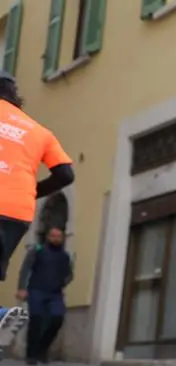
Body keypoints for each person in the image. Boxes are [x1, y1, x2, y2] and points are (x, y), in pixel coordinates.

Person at [0, 70, 75, 349]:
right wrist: (33, 191)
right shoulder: (38, 131)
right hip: (16, 212)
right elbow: (66, 175)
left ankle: (2, 316)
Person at [16, 226, 73, 365]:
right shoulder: (37, 251)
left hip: (55, 293)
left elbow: (69, 274)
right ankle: (31, 355)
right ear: (48, 237)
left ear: (62, 238)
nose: (56, 238)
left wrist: (62, 282)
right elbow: (25, 269)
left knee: (57, 319)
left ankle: (42, 348)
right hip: (36, 290)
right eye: (53, 236)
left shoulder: (64, 256)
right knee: (36, 320)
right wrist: (22, 288)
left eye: (58, 236)